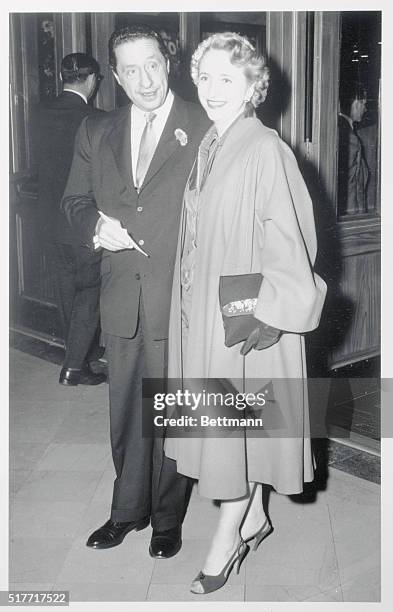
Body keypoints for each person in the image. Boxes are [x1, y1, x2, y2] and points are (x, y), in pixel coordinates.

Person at [165, 32, 327, 594]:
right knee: (239, 429)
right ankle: (253, 516)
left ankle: (228, 536)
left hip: (247, 323)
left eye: (226, 79)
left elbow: (295, 241)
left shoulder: (264, 148)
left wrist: (267, 316)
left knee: (229, 429)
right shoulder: (213, 141)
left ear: (254, 86)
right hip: (207, 312)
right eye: (204, 76)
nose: (211, 89)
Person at [61, 25, 209, 558]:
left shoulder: (206, 124)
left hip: (181, 299)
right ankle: (127, 511)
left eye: (151, 64)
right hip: (121, 296)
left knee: (170, 409)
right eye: (130, 69)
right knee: (124, 409)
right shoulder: (96, 131)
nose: (143, 78)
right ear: (115, 77)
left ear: (168, 62)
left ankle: (168, 517)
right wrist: (94, 227)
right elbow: (74, 201)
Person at [33, 52, 106, 386]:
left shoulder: (39, 114)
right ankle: (75, 366)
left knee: (66, 293)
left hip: (48, 221)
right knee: (90, 293)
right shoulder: (97, 119)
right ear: (92, 80)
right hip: (81, 219)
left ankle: (78, 356)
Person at [337, 90, 369, 215]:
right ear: (355, 103)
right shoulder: (350, 137)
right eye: (363, 104)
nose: (365, 109)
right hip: (350, 210)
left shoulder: (344, 128)